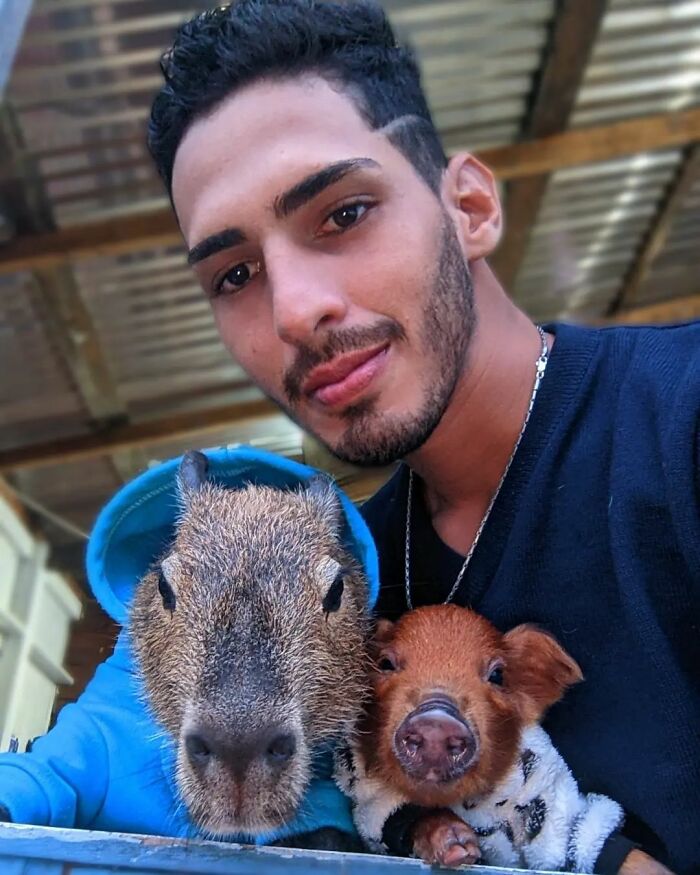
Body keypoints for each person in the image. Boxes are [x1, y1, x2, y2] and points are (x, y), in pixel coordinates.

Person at [2, 1, 698, 871]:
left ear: (471, 206)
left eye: (343, 213)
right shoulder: (332, 569)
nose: (295, 310)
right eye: (235, 273)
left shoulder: (679, 420)